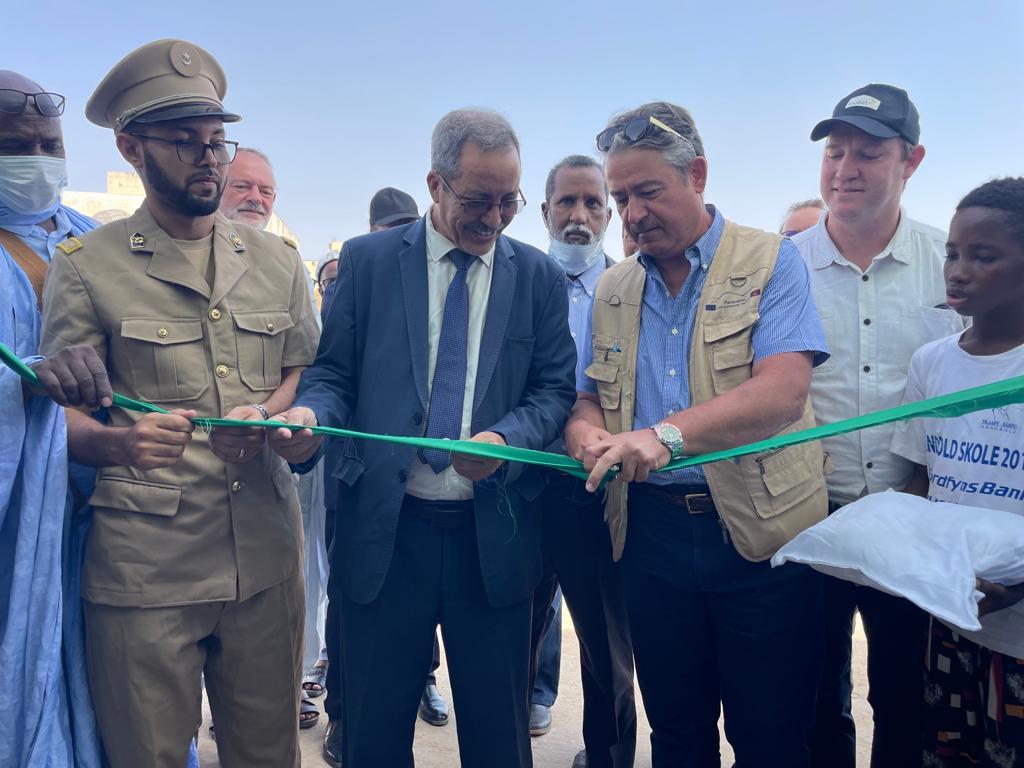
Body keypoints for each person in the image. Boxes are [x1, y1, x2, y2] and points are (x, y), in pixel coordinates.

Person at [39, 40, 320, 768]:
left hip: (263, 554)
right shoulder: (84, 267)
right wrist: (120, 445)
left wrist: (280, 416)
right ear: (132, 148)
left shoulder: (278, 262)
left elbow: (301, 374)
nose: (208, 159)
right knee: (149, 756)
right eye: (184, 142)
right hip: (145, 570)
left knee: (268, 755)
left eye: (216, 141)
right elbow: (59, 418)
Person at [269, 107, 577, 768]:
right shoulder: (369, 261)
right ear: (435, 185)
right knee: (374, 737)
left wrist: (504, 437)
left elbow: (554, 391)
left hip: (491, 540)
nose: (493, 219)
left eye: (508, 203)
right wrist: (312, 420)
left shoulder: (538, 277)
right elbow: (332, 374)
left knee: (499, 740)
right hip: (386, 532)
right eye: (476, 200)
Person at [566, 101, 829, 767]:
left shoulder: (773, 260)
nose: (631, 214)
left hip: (760, 537)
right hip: (650, 538)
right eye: (621, 197)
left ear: (699, 175)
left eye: (648, 192)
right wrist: (587, 436)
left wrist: (665, 435)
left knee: (770, 736)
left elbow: (783, 390)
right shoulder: (613, 289)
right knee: (677, 736)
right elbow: (588, 399)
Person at [791, 83, 967, 768]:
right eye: (836, 152)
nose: (846, 169)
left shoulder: (954, 263)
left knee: (907, 697)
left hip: (914, 521)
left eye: (869, 153)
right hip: (810, 518)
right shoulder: (783, 268)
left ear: (911, 162)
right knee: (813, 696)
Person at [0, 69, 115, 768]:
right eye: (18, 144)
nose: (40, 159)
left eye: (50, 142)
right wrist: (25, 382)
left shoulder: (94, 243)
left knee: (103, 685)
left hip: (99, 512)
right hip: (14, 523)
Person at [890, 176, 1024, 767]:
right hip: (952, 624)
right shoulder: (932, 363)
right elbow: (921, 478)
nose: (958, 270)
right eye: (952, 253)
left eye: (983, 255)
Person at [528, 154, 636, 768]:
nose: (579, 216)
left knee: (603, 639)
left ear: (607, 212)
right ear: (544, 212)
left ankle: (609, 755)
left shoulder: (633, 287)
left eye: (593, 203)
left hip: (597, 487)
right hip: (519, 482)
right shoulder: (515, 281)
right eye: (566, 203)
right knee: (512, 628)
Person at [218, 146, 324, 731]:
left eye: (266, 192)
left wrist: (266, 413)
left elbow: (306, 367)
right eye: (243, 188)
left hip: (266, 489)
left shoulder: (285, 265)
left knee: (262, 719)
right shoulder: (112, 255)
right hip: (160, 511)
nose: (255, 199)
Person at [220, 147, 276, 229]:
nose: (256, 198)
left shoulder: (277, 242)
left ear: (273, 200)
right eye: (241, 187)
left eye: (266, 192)